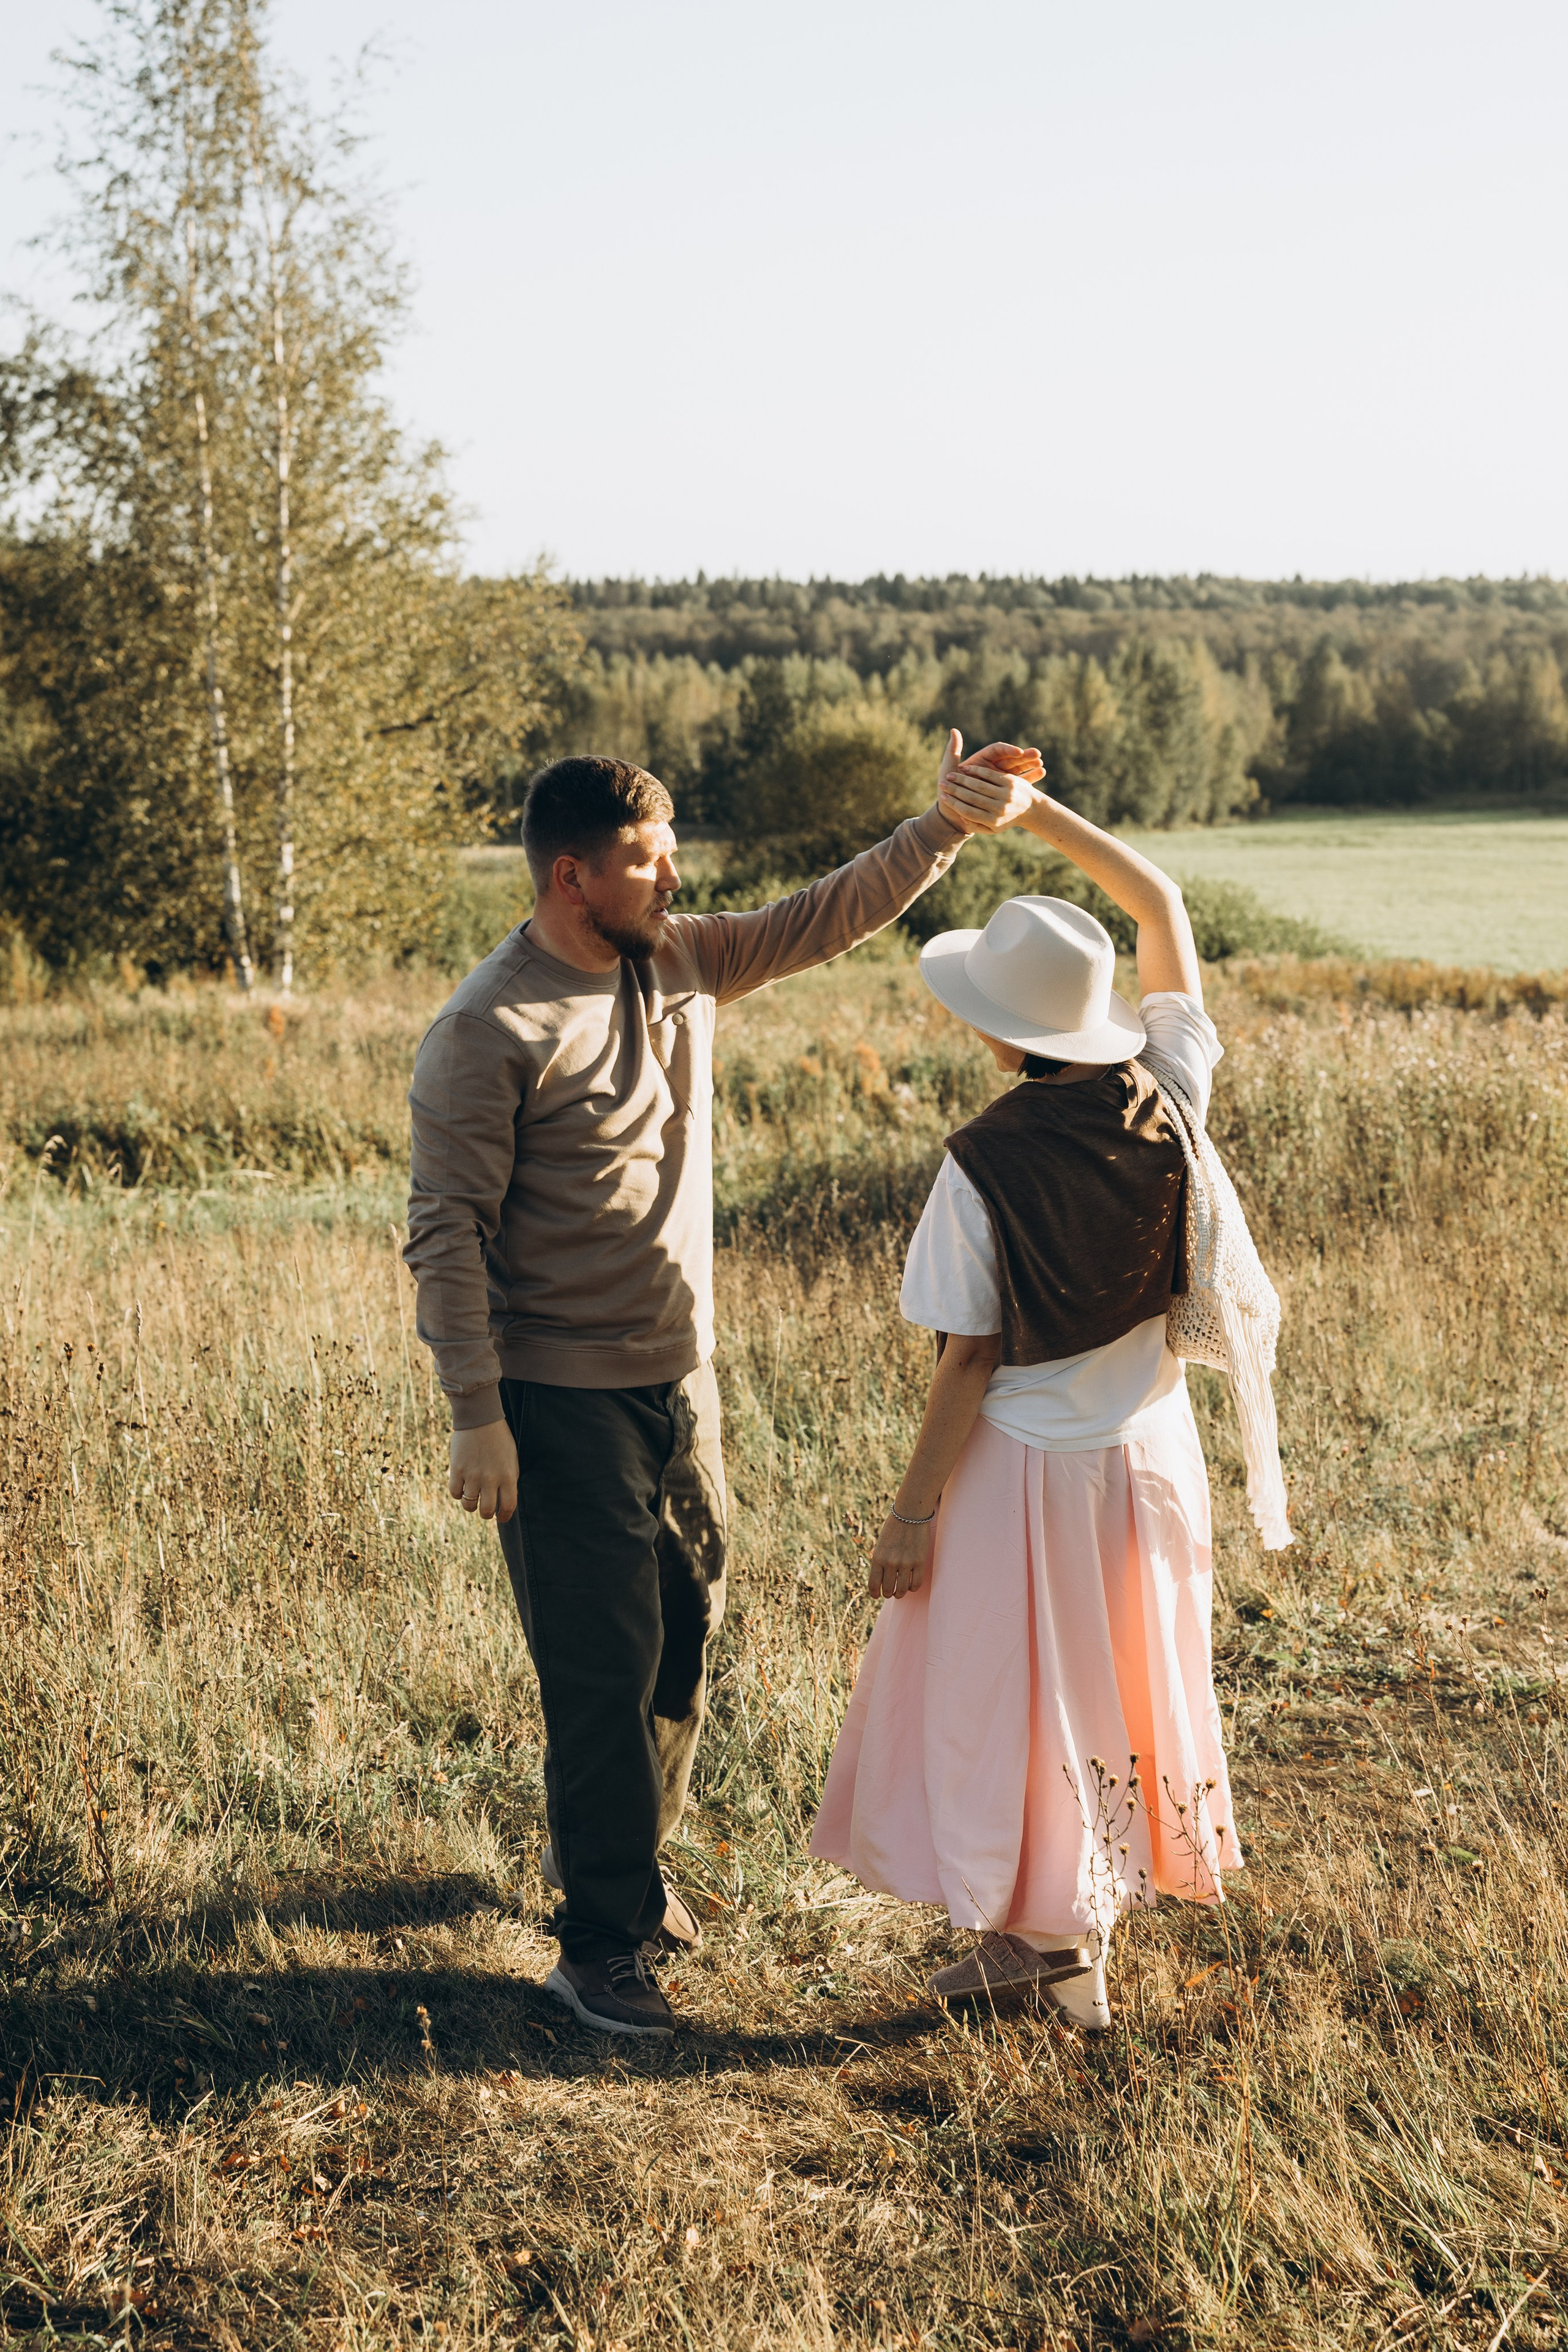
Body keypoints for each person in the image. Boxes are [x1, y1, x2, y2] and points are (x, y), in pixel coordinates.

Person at [404, 742, 1016, 2038]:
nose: (673, 872)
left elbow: (819, 917)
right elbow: (445, 1231)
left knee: (686, 1626)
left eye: (670, 845)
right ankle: (598, 1948)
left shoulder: (679, 957)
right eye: (647, 855)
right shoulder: (487, 1028)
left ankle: (609, 1855)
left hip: (683, 1379)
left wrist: (941, 831)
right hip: (557, 1397)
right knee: (598, 1663)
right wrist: (477, 1413)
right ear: (574, 877)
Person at [810, 748, 1245, 2029]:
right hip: (1150, 1453)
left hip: (1027, 1478)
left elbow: (966, 1357)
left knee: (1010, 1708)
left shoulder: (982, 1163)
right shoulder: (1171, 1088)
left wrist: (908, 1514)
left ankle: (1054, 1958)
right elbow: (1157, 902)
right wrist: (1040, 813)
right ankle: (1048, 1940)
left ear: (1005, 1030)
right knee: (1118, 1690)